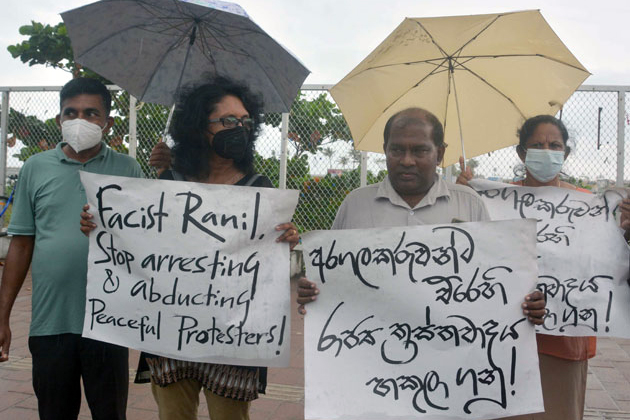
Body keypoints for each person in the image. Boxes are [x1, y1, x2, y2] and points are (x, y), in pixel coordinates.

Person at [82, 76, 299, 420]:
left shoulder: (260, 188)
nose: (239, 129)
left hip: (232, 340)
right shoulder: (169, 183)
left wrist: (287, 239)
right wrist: (103, 226)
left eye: (245, 122)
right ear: (199, 127)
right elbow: (142, 246)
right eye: (229, 121)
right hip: (170, 334)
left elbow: (265, 261)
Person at [296, 107, 546, 319]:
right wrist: (313, 290)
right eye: (397, 150)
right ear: (385, 149)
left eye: (419, 151)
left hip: (448, 348)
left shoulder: (470, 204)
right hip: (367, 346)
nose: (407, 160)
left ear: (440, 154)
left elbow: (491, 279)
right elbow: (330, 277)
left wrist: (521, 303)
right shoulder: (355, 205)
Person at [0, 78, 143, 420]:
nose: (80, 120)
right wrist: (2, 316)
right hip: (50, 322)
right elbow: (21, 243)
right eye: (71, 113)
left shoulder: (128, 169)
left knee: (110, 414)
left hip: (108, 323)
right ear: (59, 120)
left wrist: (111, 227)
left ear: (108, 122)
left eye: (91, 113)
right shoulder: (35, 167)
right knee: (54, 412)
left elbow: (144, 241)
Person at [456, 114, 608, 420]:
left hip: (564, 342)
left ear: (565, 153)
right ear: (521, 153)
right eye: (537, 145)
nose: (546, 151)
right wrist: (465, 196)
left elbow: (603, 266)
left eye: (554, 145)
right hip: (505, 337)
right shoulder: (494, 201)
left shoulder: (586, 204)